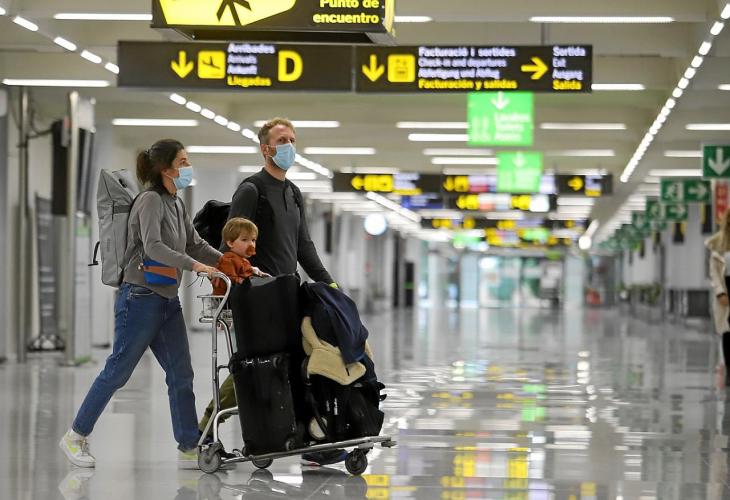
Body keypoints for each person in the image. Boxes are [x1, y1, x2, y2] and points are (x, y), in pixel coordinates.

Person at [59, 139, 221, 469]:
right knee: (118, 371)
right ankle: (75, 436)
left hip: (167, 300)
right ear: (165, 169)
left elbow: (194, 243)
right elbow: (154, 246)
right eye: (183, 162)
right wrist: (196, 266)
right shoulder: (149, 200)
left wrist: (229, 262)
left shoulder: (176, 203)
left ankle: (188, 444)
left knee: (181, 374)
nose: (187, 167)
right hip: (140, 299)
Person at [199, 117, 343, 466]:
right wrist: (238, 284)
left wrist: (330, 284)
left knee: (296, 361)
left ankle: (310, 439)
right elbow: (229, 245)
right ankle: (206, 425)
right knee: (256, 364)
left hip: (287, 293)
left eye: (292, 139)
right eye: (282, 140)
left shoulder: (293, 193)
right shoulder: (252, 190)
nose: (289, 145)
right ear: (265, 149)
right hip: (256, 295)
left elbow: (304, 246)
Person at [211, 217, 267, 296]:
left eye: (253, 240)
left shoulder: (243, 260)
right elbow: (230, 280)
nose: (251, 244)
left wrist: (257, 274)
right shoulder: (229, 260)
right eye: (244, 240)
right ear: (231, 243)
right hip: (229, 300)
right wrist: (249, 282)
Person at [707, 212, 730, 388]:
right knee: (727, 331)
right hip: (726, 288)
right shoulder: (718, 242)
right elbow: (714, 272)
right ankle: (729, 369)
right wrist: (720, 292)